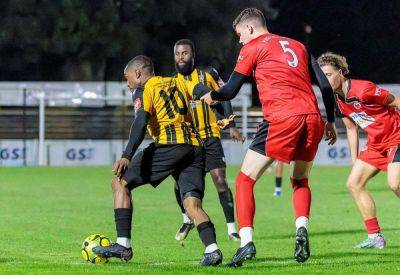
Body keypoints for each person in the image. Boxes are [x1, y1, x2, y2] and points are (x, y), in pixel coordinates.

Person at [200, 7, 337, 266]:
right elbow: (326, 86)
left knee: (244, 180)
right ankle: (301, 228)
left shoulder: (252, 48)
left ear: (250, 28)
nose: (239, 40)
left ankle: (246, 243)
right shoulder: (298, 46)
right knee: (300, 180)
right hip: (313, 117)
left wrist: (212, 95)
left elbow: (229, 90)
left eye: (240, 34)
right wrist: (330, 120)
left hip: (282, 118)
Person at [93, 55, 222, 266]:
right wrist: (210, 94)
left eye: (127, 78)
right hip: (196, 148)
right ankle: (212, 250)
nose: (127, 84)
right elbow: (198, 89)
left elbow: (140, 121)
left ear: (137, 74)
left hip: (170, 146)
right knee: (191, 204)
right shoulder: (177, 80)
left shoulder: (143, 90)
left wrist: (127, 155)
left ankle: (123, 245)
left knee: (119, 182)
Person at [318, 52, 400, 249]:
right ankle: (375, 237)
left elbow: (396, 101)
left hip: (396, 137)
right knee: (354, 183)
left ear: (341, 73)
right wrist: (355, 161)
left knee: (395, 184)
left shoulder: (364, 89)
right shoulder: (338, 101)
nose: (325, 81)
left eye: (328, 75)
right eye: (322, 77)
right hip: (375, 144)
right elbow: (351, 128)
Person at [172, 39, 244, 242]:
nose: (181, 57)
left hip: (210, 136)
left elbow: (224, 97)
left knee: (220, 181)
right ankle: (187, 218)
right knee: (179, 185)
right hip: (186, 140)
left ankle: (231, 228)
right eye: (177, 54)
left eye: (185, 53)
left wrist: (231, 126)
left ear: (192, 55)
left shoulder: (208, 74)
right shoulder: (171, 82)